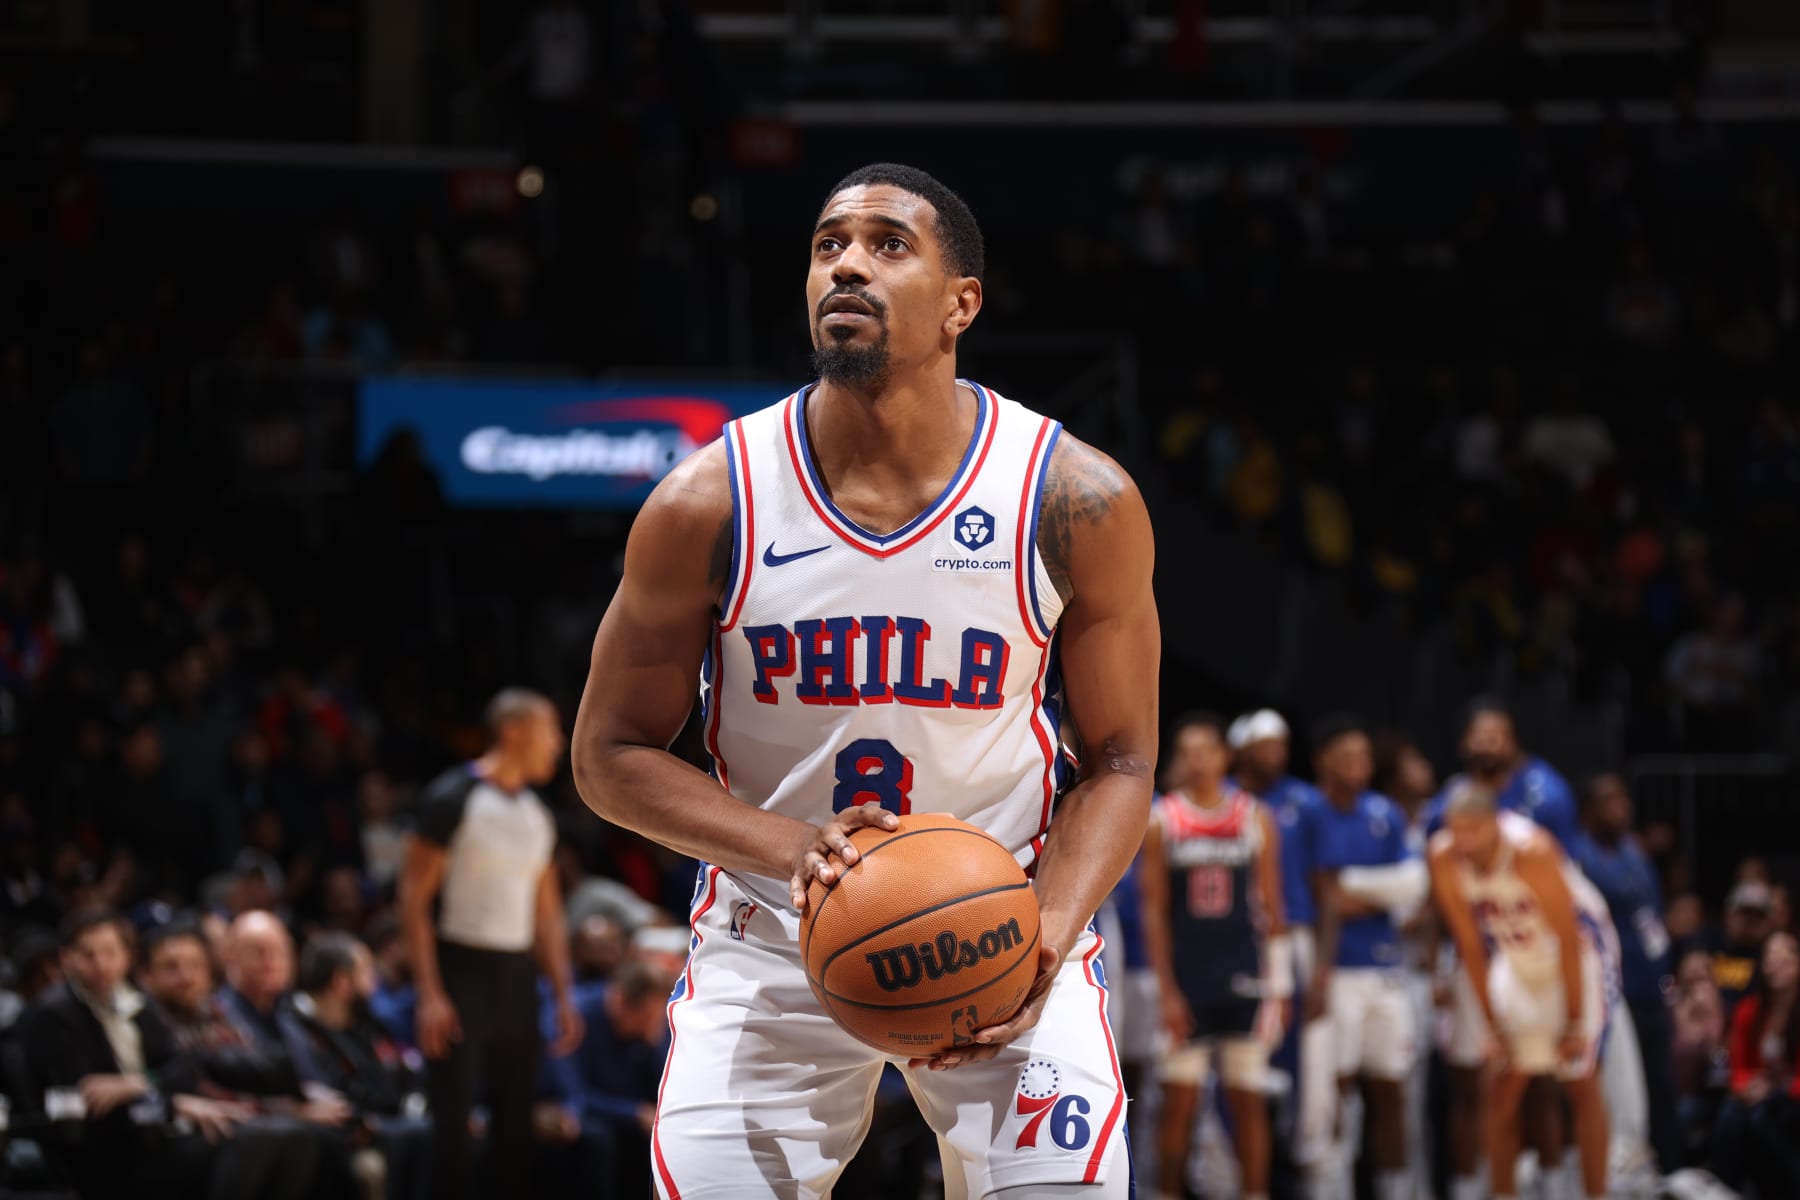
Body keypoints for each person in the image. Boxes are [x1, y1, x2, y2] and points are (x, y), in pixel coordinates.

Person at [572, 162, 1158, 1199]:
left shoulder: (1072, 496)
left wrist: (1046, 938)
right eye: (828, 244)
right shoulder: (709, 501)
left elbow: (1119, 761)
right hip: (774, 942)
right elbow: (607, 755)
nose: (847, 264)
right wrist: (795, 852)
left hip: (1002, 925)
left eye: (889, 244)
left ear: (960, 303)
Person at [399, 687, 583, 1200]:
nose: (557, 743)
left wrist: (563, 994)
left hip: (517, 974)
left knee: (514, 1125)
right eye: (550, 729)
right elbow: (412, 901)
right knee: (453, 1123)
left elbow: (547, 914)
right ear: (514, 730)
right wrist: (430, 993)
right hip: (458, 967)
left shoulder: (538, 816)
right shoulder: (452, 797)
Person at [1428, 780, 1619, 1200]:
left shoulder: (1532, 850)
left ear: (1495, 824)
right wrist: (1492, 1023)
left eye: (1473, 831)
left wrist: (1572, 1021)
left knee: (1580, 1080)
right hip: (1516, 957)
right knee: (1499, 1081)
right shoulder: (1443, 856)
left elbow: (1569, 940)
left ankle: (1596, 1194)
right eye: (1456, 831)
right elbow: (1470, 944)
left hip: (1579, 954)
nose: (1464, 841)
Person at [1428, 697, 1579, 1200]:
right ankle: (1481, 1187)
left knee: (1551, 1081)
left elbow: (1568, 906)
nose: (1488, 744)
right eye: (1480, 735)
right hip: (1488, 954)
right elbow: (1451, 916)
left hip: (1548, 954)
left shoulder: (1541, 813)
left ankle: (1559, 1184)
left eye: (1498, 735)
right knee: (1481, 1081)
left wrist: (1574, 1007)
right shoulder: (1445, 823)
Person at [1140, 713, 1288, 1200]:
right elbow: (1155, 913)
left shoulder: (1254, 816)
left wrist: (1280, 984)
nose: (1199, 758)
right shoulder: (1164, 818)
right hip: (1188, 980)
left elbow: (1272, 906)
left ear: (1226, 755)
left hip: (1245, 976)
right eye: (1189, 750)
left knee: (1248, 1101)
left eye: (1208, 748)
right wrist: (1166, 991)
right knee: (1178, 1105)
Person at [21, 908, 222, 1197]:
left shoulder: (134, 999)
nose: (101, 964)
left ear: (126, 956)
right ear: (67, 959)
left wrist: (137, 1084)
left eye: (110, 952)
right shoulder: (55, 1015)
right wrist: (168, 1101)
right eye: (88, 955)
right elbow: (92, 1099)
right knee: (239, 1147)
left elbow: (182, 1068)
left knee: (259, 1142)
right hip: (102, 1155)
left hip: (149, 1133)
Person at [1306, 716, 1425, 1200]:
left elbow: (1414, 887)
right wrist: (1383, 890)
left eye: (1365, 757)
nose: (1360, 765)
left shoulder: (1385, 812)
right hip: (1337, 972)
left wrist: (1350, 885)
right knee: (1337, 1091)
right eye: (1349, 755)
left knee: (1391, 1090)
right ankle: (1334, 1188)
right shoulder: (1310, 812)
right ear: (1325, 762)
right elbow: (1323, 899)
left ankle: (1395, 1190)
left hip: (1386, 971)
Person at [144, 918, 330, 1200]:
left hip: (232, 1124)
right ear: (147, 976)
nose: (186, 976)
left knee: (300, 1135)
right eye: (171, 967)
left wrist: (293, 1108)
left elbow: (251, 1078)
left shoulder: (218, 1017)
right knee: (267, 1135)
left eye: (195, 966)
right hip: (171, 1134)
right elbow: (159, 1087)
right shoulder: (147, 1022)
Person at [1229, 708, 1333, 1191]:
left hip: (1292, 936)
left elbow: (1325, 886)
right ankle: (1226, 1174)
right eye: (1265, 743)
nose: (1276, 753)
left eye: (1282, 744)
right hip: (1230, 939)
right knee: (1236, 1055)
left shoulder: (1306, 803)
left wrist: (1322, 970)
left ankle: (1302, 1169)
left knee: (1304, 1058)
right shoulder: (1222, 800)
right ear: (1242, 749)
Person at [1569, 772, 1679, 1174]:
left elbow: (1651, 915)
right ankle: (1616, 1172)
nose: (1623, 808)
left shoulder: (1635, 851)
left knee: (1660, 1086)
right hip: (1614, 995)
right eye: (1612, 801)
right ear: (1591, 809)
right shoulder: (1579, 855)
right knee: (1620, 1091)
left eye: (1624, 799)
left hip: (1652, 986)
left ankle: (1667, 1169)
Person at [290, 932, 433, 1200]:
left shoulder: (364, 1026)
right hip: (341, 1136)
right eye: (367, 973)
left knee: (438, 1132)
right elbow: (330, 1099)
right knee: (427, 1135)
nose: (374, 983)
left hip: (383, 1122)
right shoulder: (300, 1030)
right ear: (341, 981)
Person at [537, 958, 671, 1199]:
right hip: (564, 1111)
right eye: (647, 1017)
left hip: (616, 1112)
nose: (652, 1026)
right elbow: (574, 1096)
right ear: (620, 1001)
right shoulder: (574, 1017)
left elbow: (662, 1090)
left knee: (663, 1133)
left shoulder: (648, 1030)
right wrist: (633, 1113)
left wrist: (655, 1045)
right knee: (597, 1138)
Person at [1710, 930, 1800, 1194]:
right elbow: (1738, 1068)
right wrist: (1746, 1086)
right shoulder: (1749, 1010)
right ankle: (1724, 1190)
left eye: (1785, 959)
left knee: (1763, 1118)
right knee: (1731, 1115)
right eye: (1771, 959)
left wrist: (1774, 1089)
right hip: (1761, 1093)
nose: (1776, 966)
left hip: (1791, 1096)